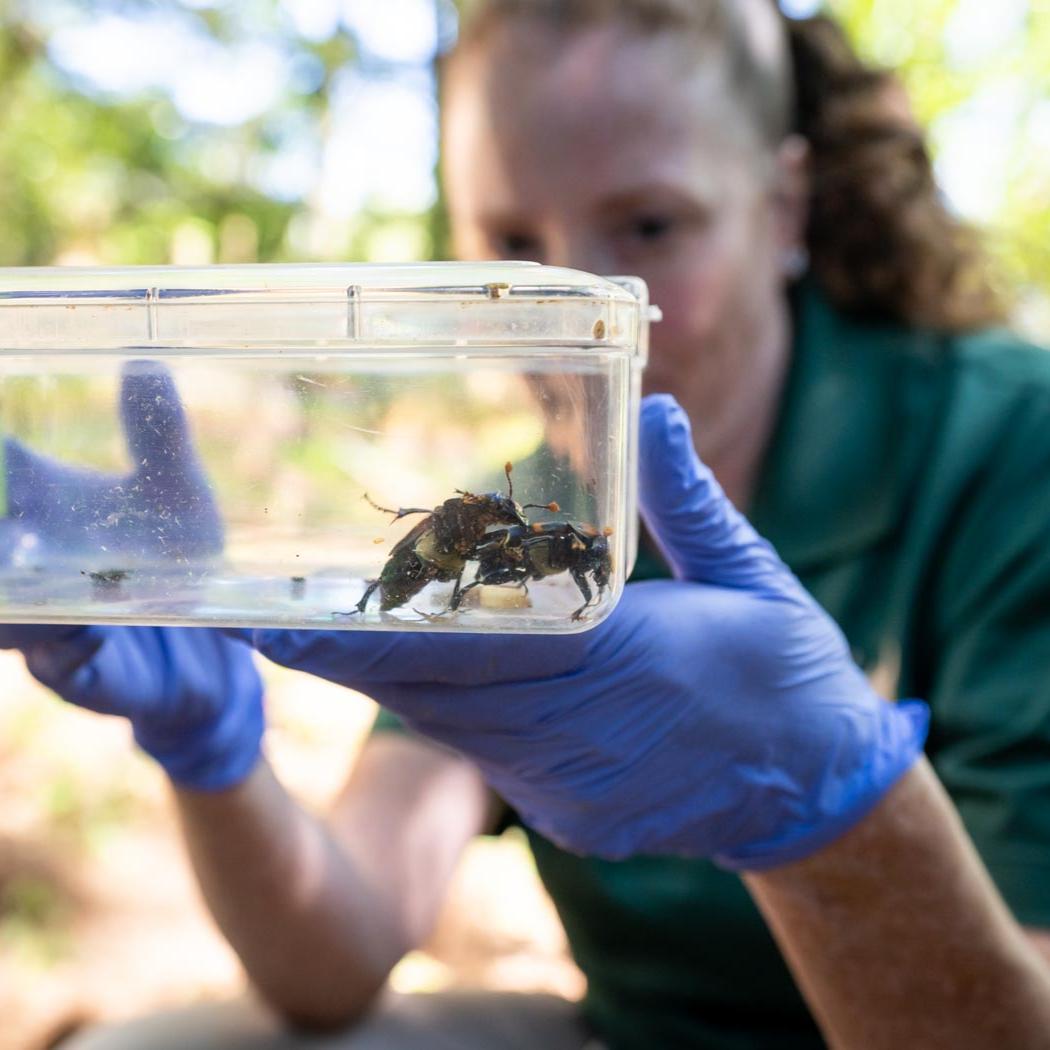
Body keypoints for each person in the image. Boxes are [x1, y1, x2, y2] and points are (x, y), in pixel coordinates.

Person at [8, 1, 1050, 1047]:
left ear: (782, 208)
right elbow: (341, 953)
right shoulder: (520, 508)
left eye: (648, 227)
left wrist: (831, 815)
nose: (568, 307)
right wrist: (211, 748)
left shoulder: (1008, 443)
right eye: (512, 240)